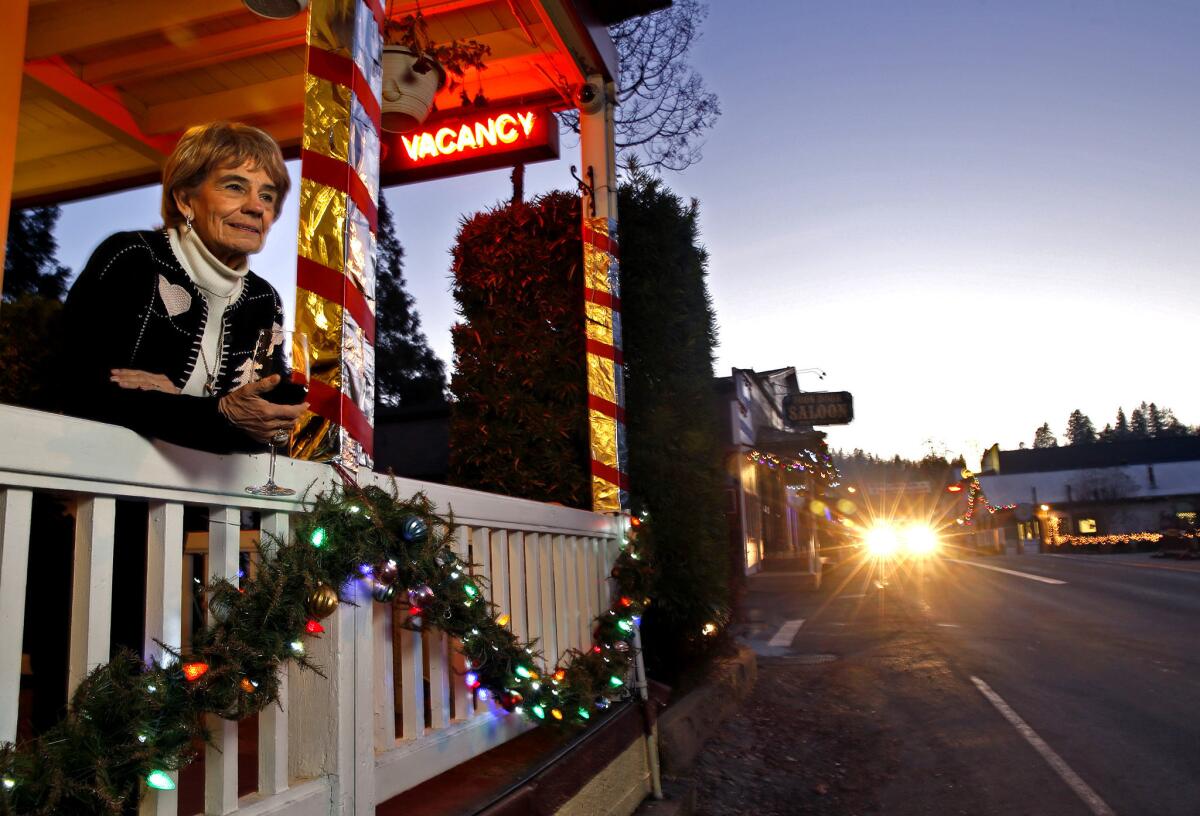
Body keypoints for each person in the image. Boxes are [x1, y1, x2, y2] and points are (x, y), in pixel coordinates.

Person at [61, 121, 307, 452]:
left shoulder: (264, 301)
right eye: (234, 187)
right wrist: (218, 411)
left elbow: (259, 422)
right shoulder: (133, 259)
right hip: (107, 486)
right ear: (185, 200)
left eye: (267, 195)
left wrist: (178, 402)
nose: (256, 207)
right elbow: (80, 389)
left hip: (211, 498)